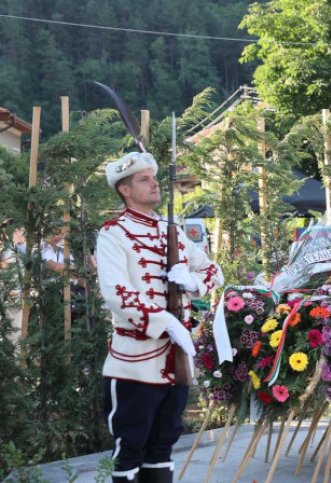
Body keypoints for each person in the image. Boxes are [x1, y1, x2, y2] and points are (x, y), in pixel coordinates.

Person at [98, 152, 224, 482]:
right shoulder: (113, 234)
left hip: (175, 359)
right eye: (144, 179)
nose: (154, 184)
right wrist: (166, 321)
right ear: (124, 190)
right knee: (130, 446)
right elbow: (116, 291)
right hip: (134, 361)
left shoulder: (172, 231)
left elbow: (214, 270)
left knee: (163, 445)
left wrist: (194, 281)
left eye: (154, 178)